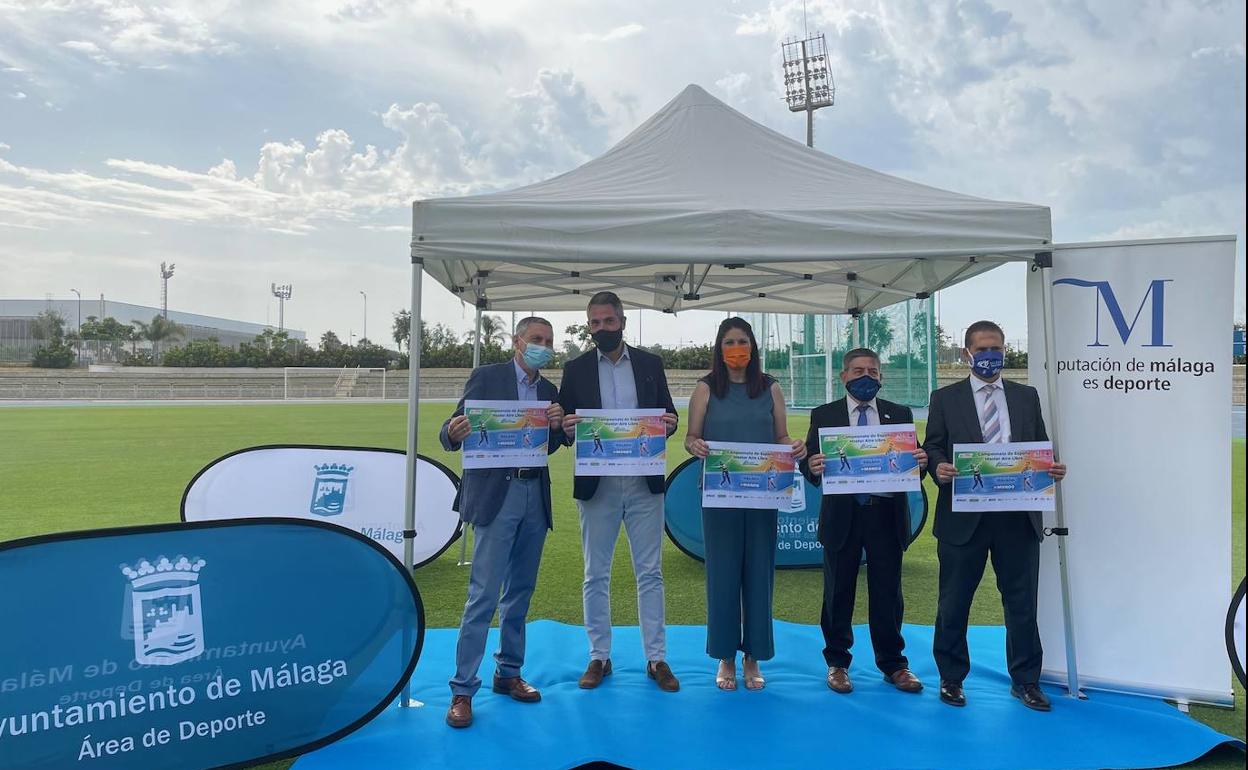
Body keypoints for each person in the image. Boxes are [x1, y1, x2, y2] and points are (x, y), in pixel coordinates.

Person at [923, 320, 1068, 712]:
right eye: (983, 349)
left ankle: (1026, 681)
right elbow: (933, 446)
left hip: (1017, 515)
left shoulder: (1026, 396)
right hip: (963, 517)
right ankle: (951, 678)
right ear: (967, 353)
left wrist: (1051, 467)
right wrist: (939, 467)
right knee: (954, 601)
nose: (991, 355)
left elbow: (1039, 447)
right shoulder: (945, 397)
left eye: (997, 348)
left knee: (1021, 602)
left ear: (1004, 351)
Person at [439, 317, 566, 728]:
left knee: (521, 593)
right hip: (497, 496)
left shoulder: (549, 391)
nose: (542, 346)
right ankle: (462, 689)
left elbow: (557, 442)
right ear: (517, 342)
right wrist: (453, 432)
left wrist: (559, 425)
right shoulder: (486, 377)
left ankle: (508, 672)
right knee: (483, 595)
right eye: (535, 340)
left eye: (548, 341)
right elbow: (453, 429)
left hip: (534, 494)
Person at [558, 291, 681, 692]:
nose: (602, 329)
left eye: (609, 322)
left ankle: (656, 658)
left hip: (644, 482)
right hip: (598, 485)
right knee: (596, 573)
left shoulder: (650, 363)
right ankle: (599, 657)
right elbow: (564, 423)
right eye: (595, 323)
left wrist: (670, 422)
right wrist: (568, 427)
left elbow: (669, 414)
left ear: (623, 322)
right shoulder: (574, 369)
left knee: (651, 573)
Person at [685, 316, 806, 691]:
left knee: (758, 573)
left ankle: (753, 655)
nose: (736, 348)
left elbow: (782, 435)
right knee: (721, 574)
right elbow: (691, 437)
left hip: (762, 495)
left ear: (752, 346)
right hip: (720, 496)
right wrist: (696, 445)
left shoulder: (770, 388)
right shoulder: (705, 389)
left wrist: (795, 447)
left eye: (742, 341)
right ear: (719, 349)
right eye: (728, 342)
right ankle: (725, 655)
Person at [799, 348, 927, 696]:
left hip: (886, 516)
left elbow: (915, 462)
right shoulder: (824, 414)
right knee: (838, 591)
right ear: (844, 376)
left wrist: (923, 459)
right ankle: (837, 663)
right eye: (858, 370)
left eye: (872, 370)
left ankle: (894, 664)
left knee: (888, 593)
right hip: (843, 516)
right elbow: (810, 462)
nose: (866, 376)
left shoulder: (898, 414)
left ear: (881, 376)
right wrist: (811, 465)